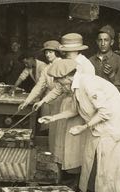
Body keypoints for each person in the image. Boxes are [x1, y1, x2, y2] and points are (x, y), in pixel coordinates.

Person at [39, 59, 120, 192]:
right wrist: (53, 118)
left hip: (112, 124)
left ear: (68, 77)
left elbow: (105, 111)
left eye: (59, 80)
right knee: (90, 156)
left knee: (106, 161)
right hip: (99, 122)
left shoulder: (88, 83)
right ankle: (89, 190)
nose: (58, 84)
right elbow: (75, 110)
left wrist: (84, 127)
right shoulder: (76, 86)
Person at [33, 33, 95, 183]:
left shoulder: (85, 65)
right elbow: (59, 87)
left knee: (76, 143)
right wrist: (43, 101)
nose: (64, 53)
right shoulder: (67, 62)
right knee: (62, 141)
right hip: (66, 104)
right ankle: (64, 174)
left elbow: (88, 90)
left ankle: (77, 177)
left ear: (76, 50)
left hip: (80, 105)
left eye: (67, 50)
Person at [18, 40, 65, 166]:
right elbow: (39, 86)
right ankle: (54, 163)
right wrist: (27, 101)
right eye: (46, 53)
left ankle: (62, 165)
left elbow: (60, 88)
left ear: (57, 52)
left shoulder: (63, 64)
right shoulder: (47, 69)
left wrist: (43, 100)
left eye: (51, 52)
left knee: (61, 134)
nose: (48, 55)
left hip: (64, 102)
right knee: (52, 133)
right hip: (51, 101)